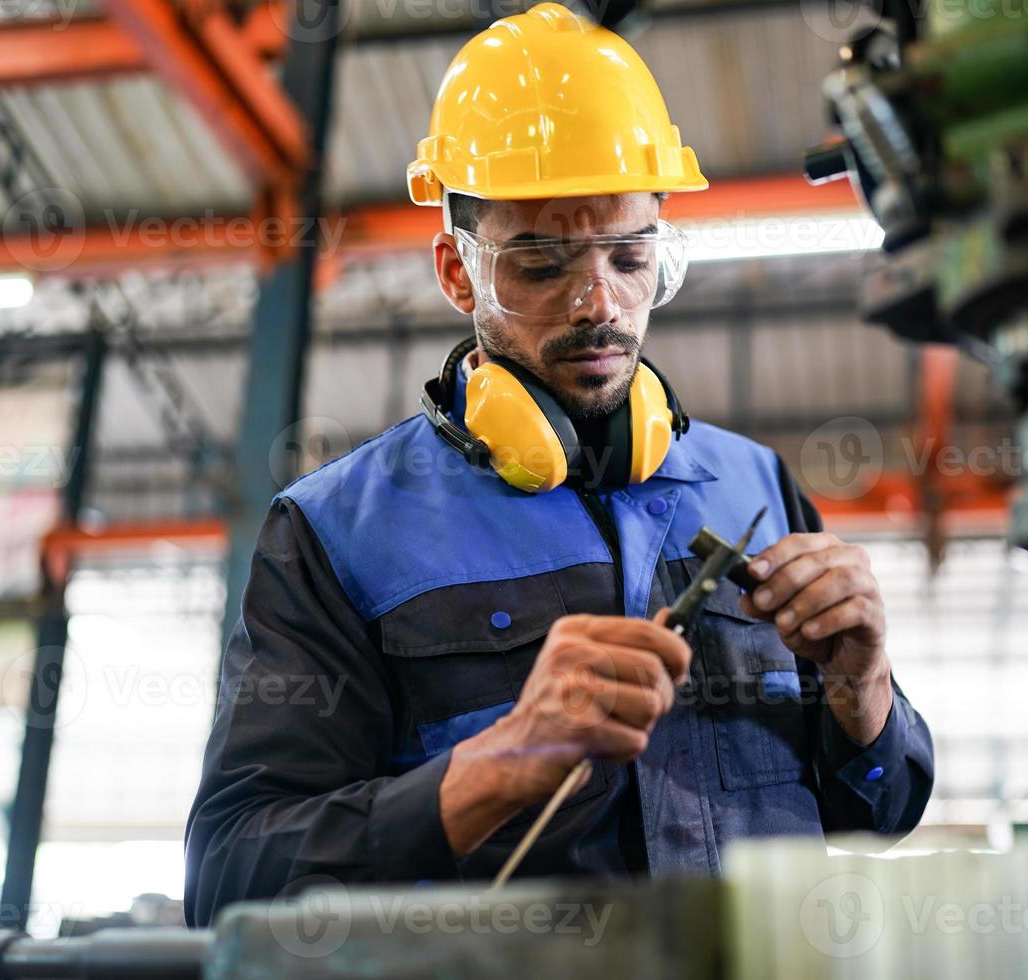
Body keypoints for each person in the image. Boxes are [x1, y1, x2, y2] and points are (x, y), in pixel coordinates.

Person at [184, 2, 932, 927]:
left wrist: (864, 690)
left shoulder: (758, 487)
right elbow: (231, 878)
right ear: (458, 273)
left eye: (630, 257)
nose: (600, 305)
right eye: (539, 265)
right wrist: (494, 768)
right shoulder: (337, 534)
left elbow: (881, 810)